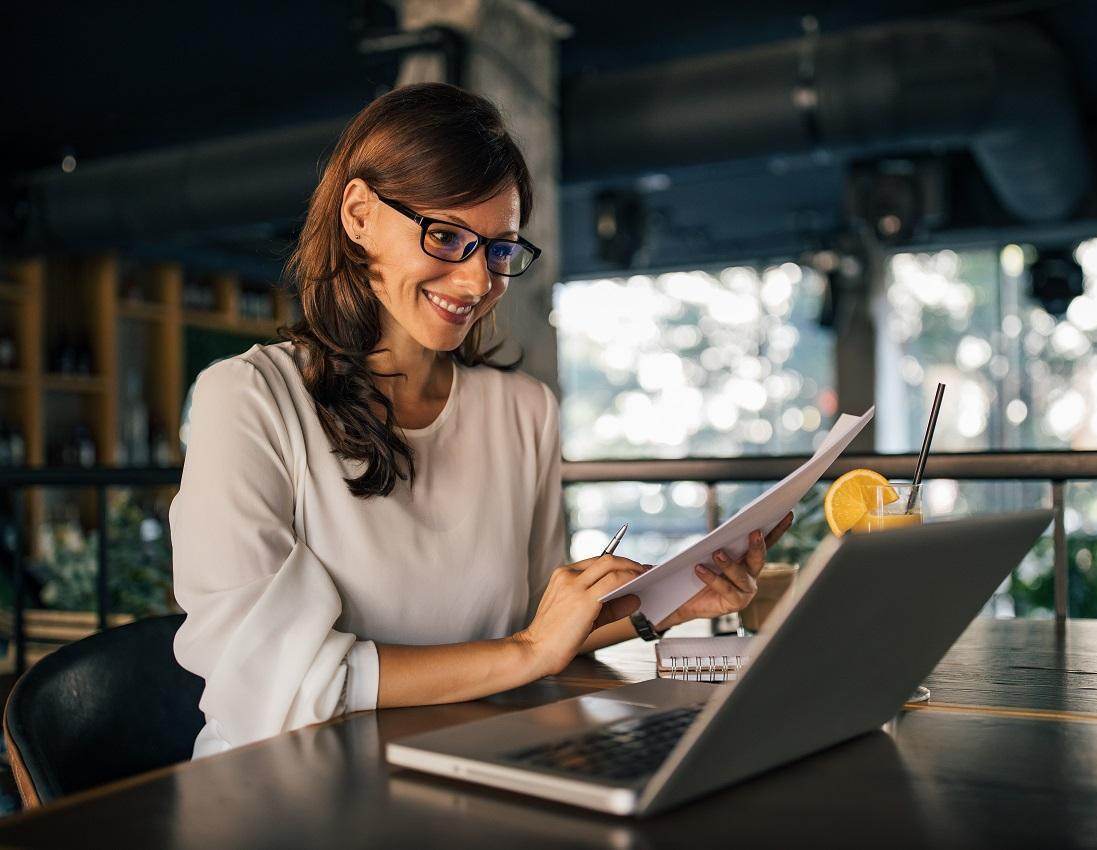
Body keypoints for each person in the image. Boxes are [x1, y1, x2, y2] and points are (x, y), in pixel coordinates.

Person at [170, 82, 793, 759]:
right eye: (445, 237)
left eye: (500, 249)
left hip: (473, 759)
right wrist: (528, 650)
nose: (476, 282)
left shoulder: (524, 410)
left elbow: (534, 631)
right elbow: (272, 675)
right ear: (358, 214)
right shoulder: (248, 399)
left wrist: (670, 603)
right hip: (286, 785)